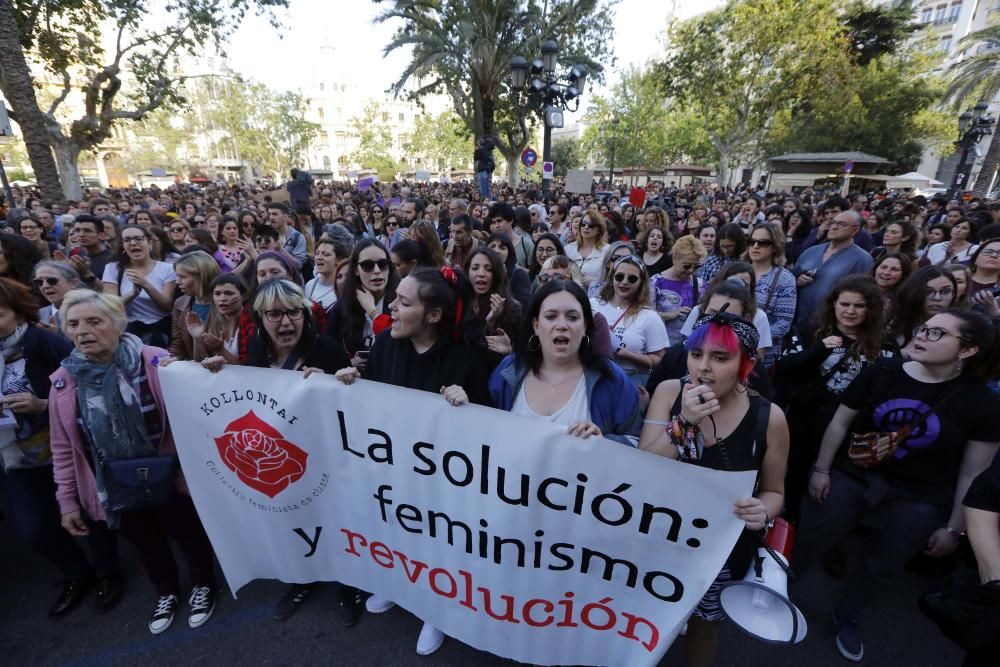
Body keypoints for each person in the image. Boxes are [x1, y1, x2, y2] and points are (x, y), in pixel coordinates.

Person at [795, 309, 1000, 663]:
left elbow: (974, 471)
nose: (921, 335)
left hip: (921, 496)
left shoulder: (983, 404)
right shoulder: (883, 372)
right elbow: (841, 422)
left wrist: (955, 527)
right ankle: (775, 587)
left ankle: (849, 613)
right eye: (923, 328)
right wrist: (822, 469)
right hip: (853, 474)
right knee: (815, 533)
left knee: (884, 563)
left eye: (937, 334)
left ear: (967, 350)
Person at [336, 266, 492, 655]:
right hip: (393, 468)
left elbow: (490, 428)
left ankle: (436, 611)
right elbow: (372, 398)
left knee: (435, 543)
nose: (391, 306)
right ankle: (396, 587)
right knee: (395, 531)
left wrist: (467, 403)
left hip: (442, 478)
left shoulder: (468, 358)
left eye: (404, 302)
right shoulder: (387, 343)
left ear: (433, 315)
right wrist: (349, 384)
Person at [52, 290, 218, 635]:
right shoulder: (63, 382)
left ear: (117, 324)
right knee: (144, 541)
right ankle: (166, 591)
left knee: (186, 532)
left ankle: (203, 585)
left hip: (169, 475)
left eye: (94, 322)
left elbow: (194, 413)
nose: (83, 331)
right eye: (74, 324)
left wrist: (196, 372)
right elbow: (64, 447)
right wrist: (67, 501)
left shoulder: (154, 361)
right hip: (115, 483)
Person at [640, 308, 789, 667]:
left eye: (720, 358)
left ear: (745, 364)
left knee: (704, 623)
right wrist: (684, 422)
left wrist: (762, 510)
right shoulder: (669, 391)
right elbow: (643, 467)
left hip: (718, 549)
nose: (703, 367)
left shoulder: (769, 418)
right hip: (655, 535)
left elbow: (775, 492)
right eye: (696, 354)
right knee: (640, 614)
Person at [0, 278, 119, 619]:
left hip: (66, 444)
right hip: (16, 454)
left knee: (90, 511)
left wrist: (41, 405)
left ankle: (108, 572)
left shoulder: (45, 342)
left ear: (18, 313)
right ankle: (76, 573)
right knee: (33, 528)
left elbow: (88, 387)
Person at [775, 275, 894, 523]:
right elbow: (785, 367)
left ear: (870, 309)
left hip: (852, 431)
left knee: (833, 495)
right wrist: (820, 349)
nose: (850, 311)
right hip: (805, 422)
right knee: (795, 480)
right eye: (844, 304)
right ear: (834, 304)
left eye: (859, 306)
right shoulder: (811, 331)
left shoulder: (885, 345)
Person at [489, 278, 643, 444]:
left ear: (585, 326)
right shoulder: (509, 370)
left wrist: (604, 444)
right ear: (536, 325)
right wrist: (462, 406)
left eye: (572, 317)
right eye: (551, 316)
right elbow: (484, 427)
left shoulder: (612, 379)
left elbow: (635, 440)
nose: (562, 325)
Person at [793, 210, 874, 342]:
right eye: (833, 223)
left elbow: (863, 294)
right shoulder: (811, 251)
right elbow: (792, 275)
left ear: (855, 230)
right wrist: (797, 279)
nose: (834, 227)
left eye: (842, 224)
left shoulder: (862, 259)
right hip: (798, 322)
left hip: (830, 329)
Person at [590, 255, 669, 387]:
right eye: (619, 276)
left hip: (629, 381)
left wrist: (628, 355)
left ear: (640, 283)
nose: (624, 282)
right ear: (611, 278)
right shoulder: (593, 305)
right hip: (593, 375)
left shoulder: (650, 317)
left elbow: (659, 360)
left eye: (632, 279)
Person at [327, 239, 399, 367]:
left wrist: (371, 310)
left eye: (383, 264)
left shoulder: (402, 302)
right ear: (355, 270)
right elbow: (329, 354)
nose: (377, 270)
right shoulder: (341, 307)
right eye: (367, 265)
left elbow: (399, 346)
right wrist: (347, 363)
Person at [102, 225, 176, 348]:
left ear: (149, 243)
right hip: (128, 332)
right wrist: (132, 294)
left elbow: (167, 306)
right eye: (127, 240)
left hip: (161, 330)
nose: (133, 243)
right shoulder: (112, 268)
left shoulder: (167, 269)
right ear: (123, 247)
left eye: (138, 238)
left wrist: (145, 284)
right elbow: (109, 306)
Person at [745, 223, 797, 368]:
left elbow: (783, 323)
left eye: (762, 243)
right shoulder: (738, 270)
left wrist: (749, 336)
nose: (755, 246)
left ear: (775, 246)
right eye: (752, 241)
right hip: (727, 347)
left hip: (761, 355)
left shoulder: (784, 279)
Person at [651, 235, 708, 340]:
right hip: (660, 343)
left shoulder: (701, 285)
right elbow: (644, 317)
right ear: (674, 259)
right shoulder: (655, 282)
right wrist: (669, 315)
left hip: (689, 345)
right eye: (686, 266)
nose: (691, 270)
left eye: (696, 266)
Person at [887, 266, 956, 347]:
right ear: (914, 292)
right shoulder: (891, 321)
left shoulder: (959, 328)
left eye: (946, 291)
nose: (937, 298)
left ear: (953, 294)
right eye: (928, 291)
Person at [169, 252, 220, 361]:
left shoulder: (226, 303)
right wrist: (172, 358)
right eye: (177, 276)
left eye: (182, 277)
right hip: (195, 371)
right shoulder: (180, 304)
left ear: (201, 276)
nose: (177, 282)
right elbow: (178, 345)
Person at [33, 260, 84, 334]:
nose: (45, 286)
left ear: (73, 283)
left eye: (52, 280)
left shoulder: (90, 310)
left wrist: (57, 337)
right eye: (39, 282)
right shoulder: (38, 315)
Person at [564, 210, 610, 286]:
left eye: (591, 225)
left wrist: (597, 281)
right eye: (583, 223)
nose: (586, 227)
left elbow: (613, 281)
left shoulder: (607, 250)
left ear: (599, 229)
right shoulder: (568, 249)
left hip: (595, 295)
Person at [486, 233, 532, 309]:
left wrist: (503, 281)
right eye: (492, 246)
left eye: (502, 247)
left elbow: (522, 309)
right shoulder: (481, 274)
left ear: (509, 253)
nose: (496, 251)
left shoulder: (519, 275)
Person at [304, 238, 340, 312]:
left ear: (338, 260)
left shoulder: (344, 288)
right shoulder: (310, 285)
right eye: (317, 253)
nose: (319, 257)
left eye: (326, 254)